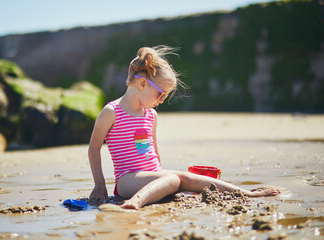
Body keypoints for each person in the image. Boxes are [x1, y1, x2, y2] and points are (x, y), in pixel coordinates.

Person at [88, 45, 279, 210]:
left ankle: (245, 193)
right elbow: (94, 148)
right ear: (143, 83)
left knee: (186, 177)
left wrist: (160, 179)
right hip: (127, 180)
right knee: (174, 179)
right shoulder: (112, 111)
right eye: (160, 95)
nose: (161, 101)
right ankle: (135, 202)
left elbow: (154, 152)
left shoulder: (151, 115)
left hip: (152, 177)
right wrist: (99, 185)